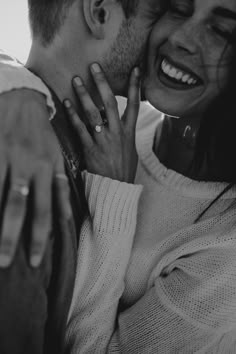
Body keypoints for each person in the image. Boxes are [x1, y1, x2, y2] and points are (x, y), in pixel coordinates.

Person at [1, 0, 236, 352]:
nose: (180, 38)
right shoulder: (115, 120)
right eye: (176, 8)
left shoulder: (224, 245)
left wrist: (115, 195)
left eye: (221, 30)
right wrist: (17, 90)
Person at [0, 0, 166, 353]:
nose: (169, 37)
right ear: (100, 12)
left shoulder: (109, 142)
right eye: (157, 15)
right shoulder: (19, 161)